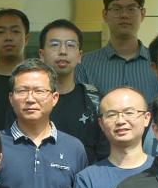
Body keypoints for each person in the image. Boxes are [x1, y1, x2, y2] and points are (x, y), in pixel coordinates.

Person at [77, 0, 158, 105]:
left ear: (143, 14)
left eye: (131, 9)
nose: (124, 15)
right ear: (105, 15)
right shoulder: (84, 65)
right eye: (117, 9)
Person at [37, 19, 106, 162]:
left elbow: (105, 152)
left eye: (70, 45)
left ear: (80, 56)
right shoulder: (28, 99)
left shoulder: (94, 99)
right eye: (54, 45)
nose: (63, 51)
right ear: (41, 55)